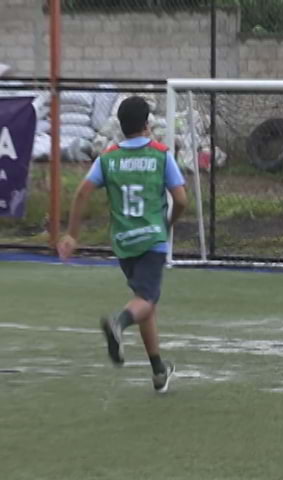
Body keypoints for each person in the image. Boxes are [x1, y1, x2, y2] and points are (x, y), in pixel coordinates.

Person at [57, 96, 188, 393]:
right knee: (145, 301)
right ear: (146, 124)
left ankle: (158, 370)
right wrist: (168, 222)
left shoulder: (108, 157)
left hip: (124, 242)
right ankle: (118, 322)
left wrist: (73, 235)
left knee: (145, 302)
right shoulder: (160, 155)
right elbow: (181, 199)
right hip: (151, 239)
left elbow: (81, 194)